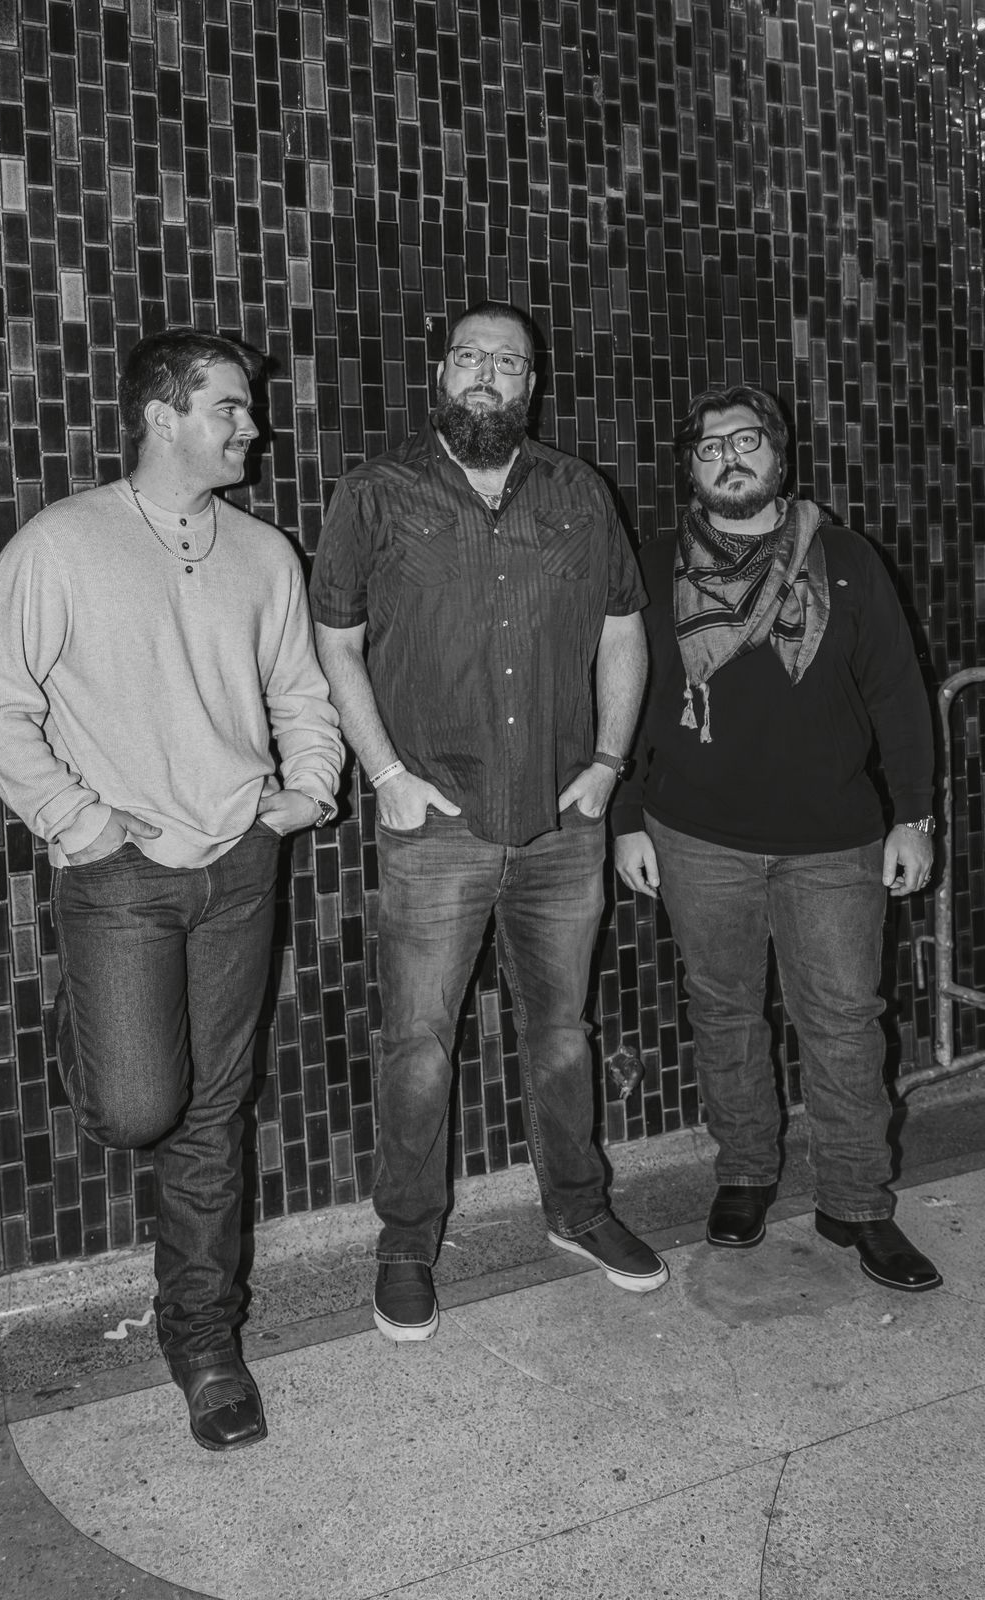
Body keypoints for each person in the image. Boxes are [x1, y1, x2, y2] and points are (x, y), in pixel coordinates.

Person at [0, 329, 343, 1449]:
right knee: (135, 1109)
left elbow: (300, 692)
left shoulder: (263, 553)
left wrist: (306, 791)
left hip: (242, 862)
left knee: (214, 1113)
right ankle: (97, 1010)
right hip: (120, 876)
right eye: (230, 408)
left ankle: (205, 1344)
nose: (252, 426)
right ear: (163, 417)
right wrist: (78, 821)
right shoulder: (65, 542)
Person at [310, 299, 668, 1344]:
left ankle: (578, 1208)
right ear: (440, 375)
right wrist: (383, 771)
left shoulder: (578, 491)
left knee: (562, 1033)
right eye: (468, 357)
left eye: (506, 363)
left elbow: (623, 631)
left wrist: (607, 765)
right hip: (435, 822)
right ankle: (406, 1241)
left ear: (531, 385)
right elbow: (334, 642)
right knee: (418, 1043)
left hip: (563, 820)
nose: (485, 375)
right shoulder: (374, 494)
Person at [612, 383, 941, 1292]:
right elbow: (624, 697)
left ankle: (858, 1203)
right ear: (691, 470)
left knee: (844, 1023)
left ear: (779, 453)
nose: (729, 457)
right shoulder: (653, 566)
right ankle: (747, 1173)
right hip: (694, 835)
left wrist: (914, 815)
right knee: (723, 1011)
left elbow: (898, 693)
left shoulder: (845, 558)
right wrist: (626, 818)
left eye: (745, 439)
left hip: (834, 839)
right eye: (709, 446)